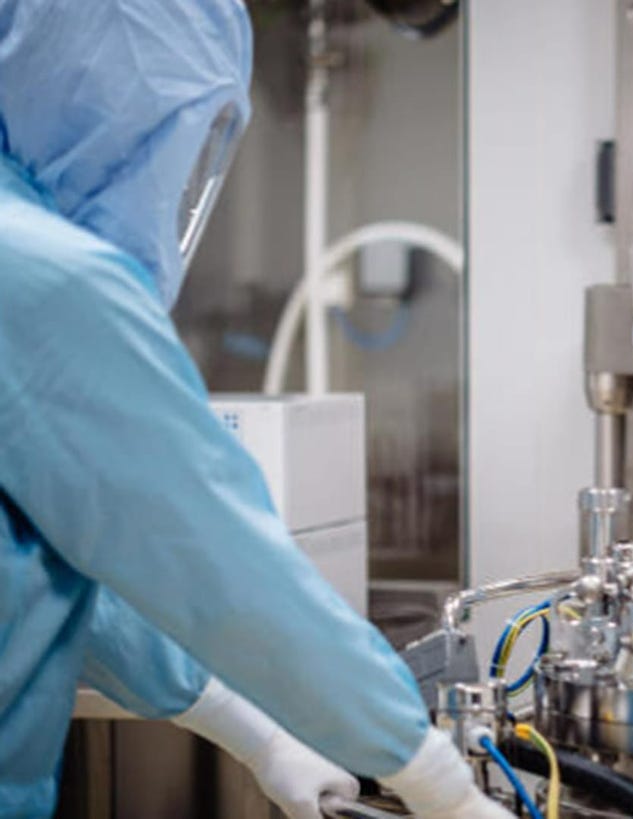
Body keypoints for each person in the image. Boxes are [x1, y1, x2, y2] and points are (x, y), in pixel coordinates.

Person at [0, 2, 506, 817]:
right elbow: (206, 552)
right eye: (180, 134)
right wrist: (437, 782)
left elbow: (59, 571)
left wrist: (255, 730)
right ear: (105, 96)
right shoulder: (46, 281)